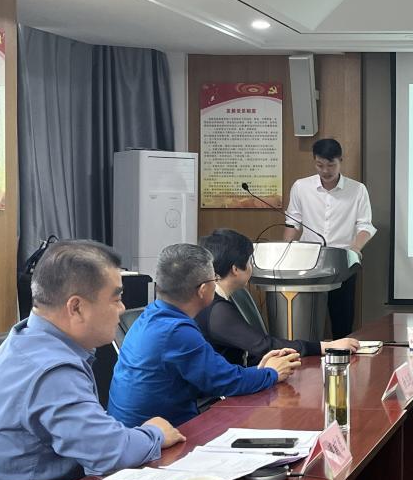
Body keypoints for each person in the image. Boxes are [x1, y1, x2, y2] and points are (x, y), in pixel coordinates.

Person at [0, 240, 185, 480]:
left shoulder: (27, 339)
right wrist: (155, 433)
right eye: (116, 298)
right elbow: (111, 452)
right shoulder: (51, 370)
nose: (122, 308)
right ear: (76, 307)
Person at [108, 243, 300, 427]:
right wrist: (271, 373)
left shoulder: (151, 317)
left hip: (134, 434)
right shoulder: (176, 331)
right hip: (158, 441)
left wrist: (259, 370)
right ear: (202, 290)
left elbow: (213, 375)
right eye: (214, 279)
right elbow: (227, 382)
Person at [197, 228, 359, 365]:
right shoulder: (217, 309)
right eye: (249, 261)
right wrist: (325, 347)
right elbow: (263, 346)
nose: (251, 266)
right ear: (235, 269)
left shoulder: (213, 298)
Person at [283, 137, 375, 337]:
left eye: (331, 165)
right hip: (307, 262)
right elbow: (293, 222)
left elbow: (365, 226)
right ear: (314, 161)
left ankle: (342, 354)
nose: (325, 170)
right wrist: (286, 252)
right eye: (320, 165)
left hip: (341, 261)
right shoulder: (301, 187)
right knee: (305, 321)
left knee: (342, 320)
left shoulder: (357, 190)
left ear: (340, 160)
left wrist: (355, 249)